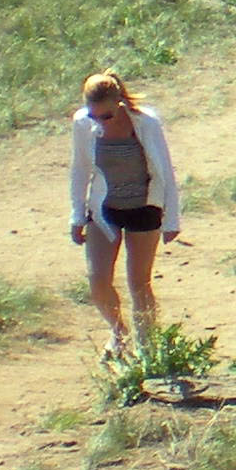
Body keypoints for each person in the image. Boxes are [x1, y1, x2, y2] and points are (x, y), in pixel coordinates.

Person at [68, 72, 179, 359]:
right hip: (104, 209)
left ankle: (147, 348)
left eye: (106, 116)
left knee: (139, 282)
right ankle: (118, 333)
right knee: (98, 281)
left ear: (119, 103)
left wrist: (172, 219)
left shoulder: (146, 122)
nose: (100, 122)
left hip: (144, 207)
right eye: (94, 116)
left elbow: (165, 170)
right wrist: (77, 216)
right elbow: (80, 169)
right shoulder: (82, 123)